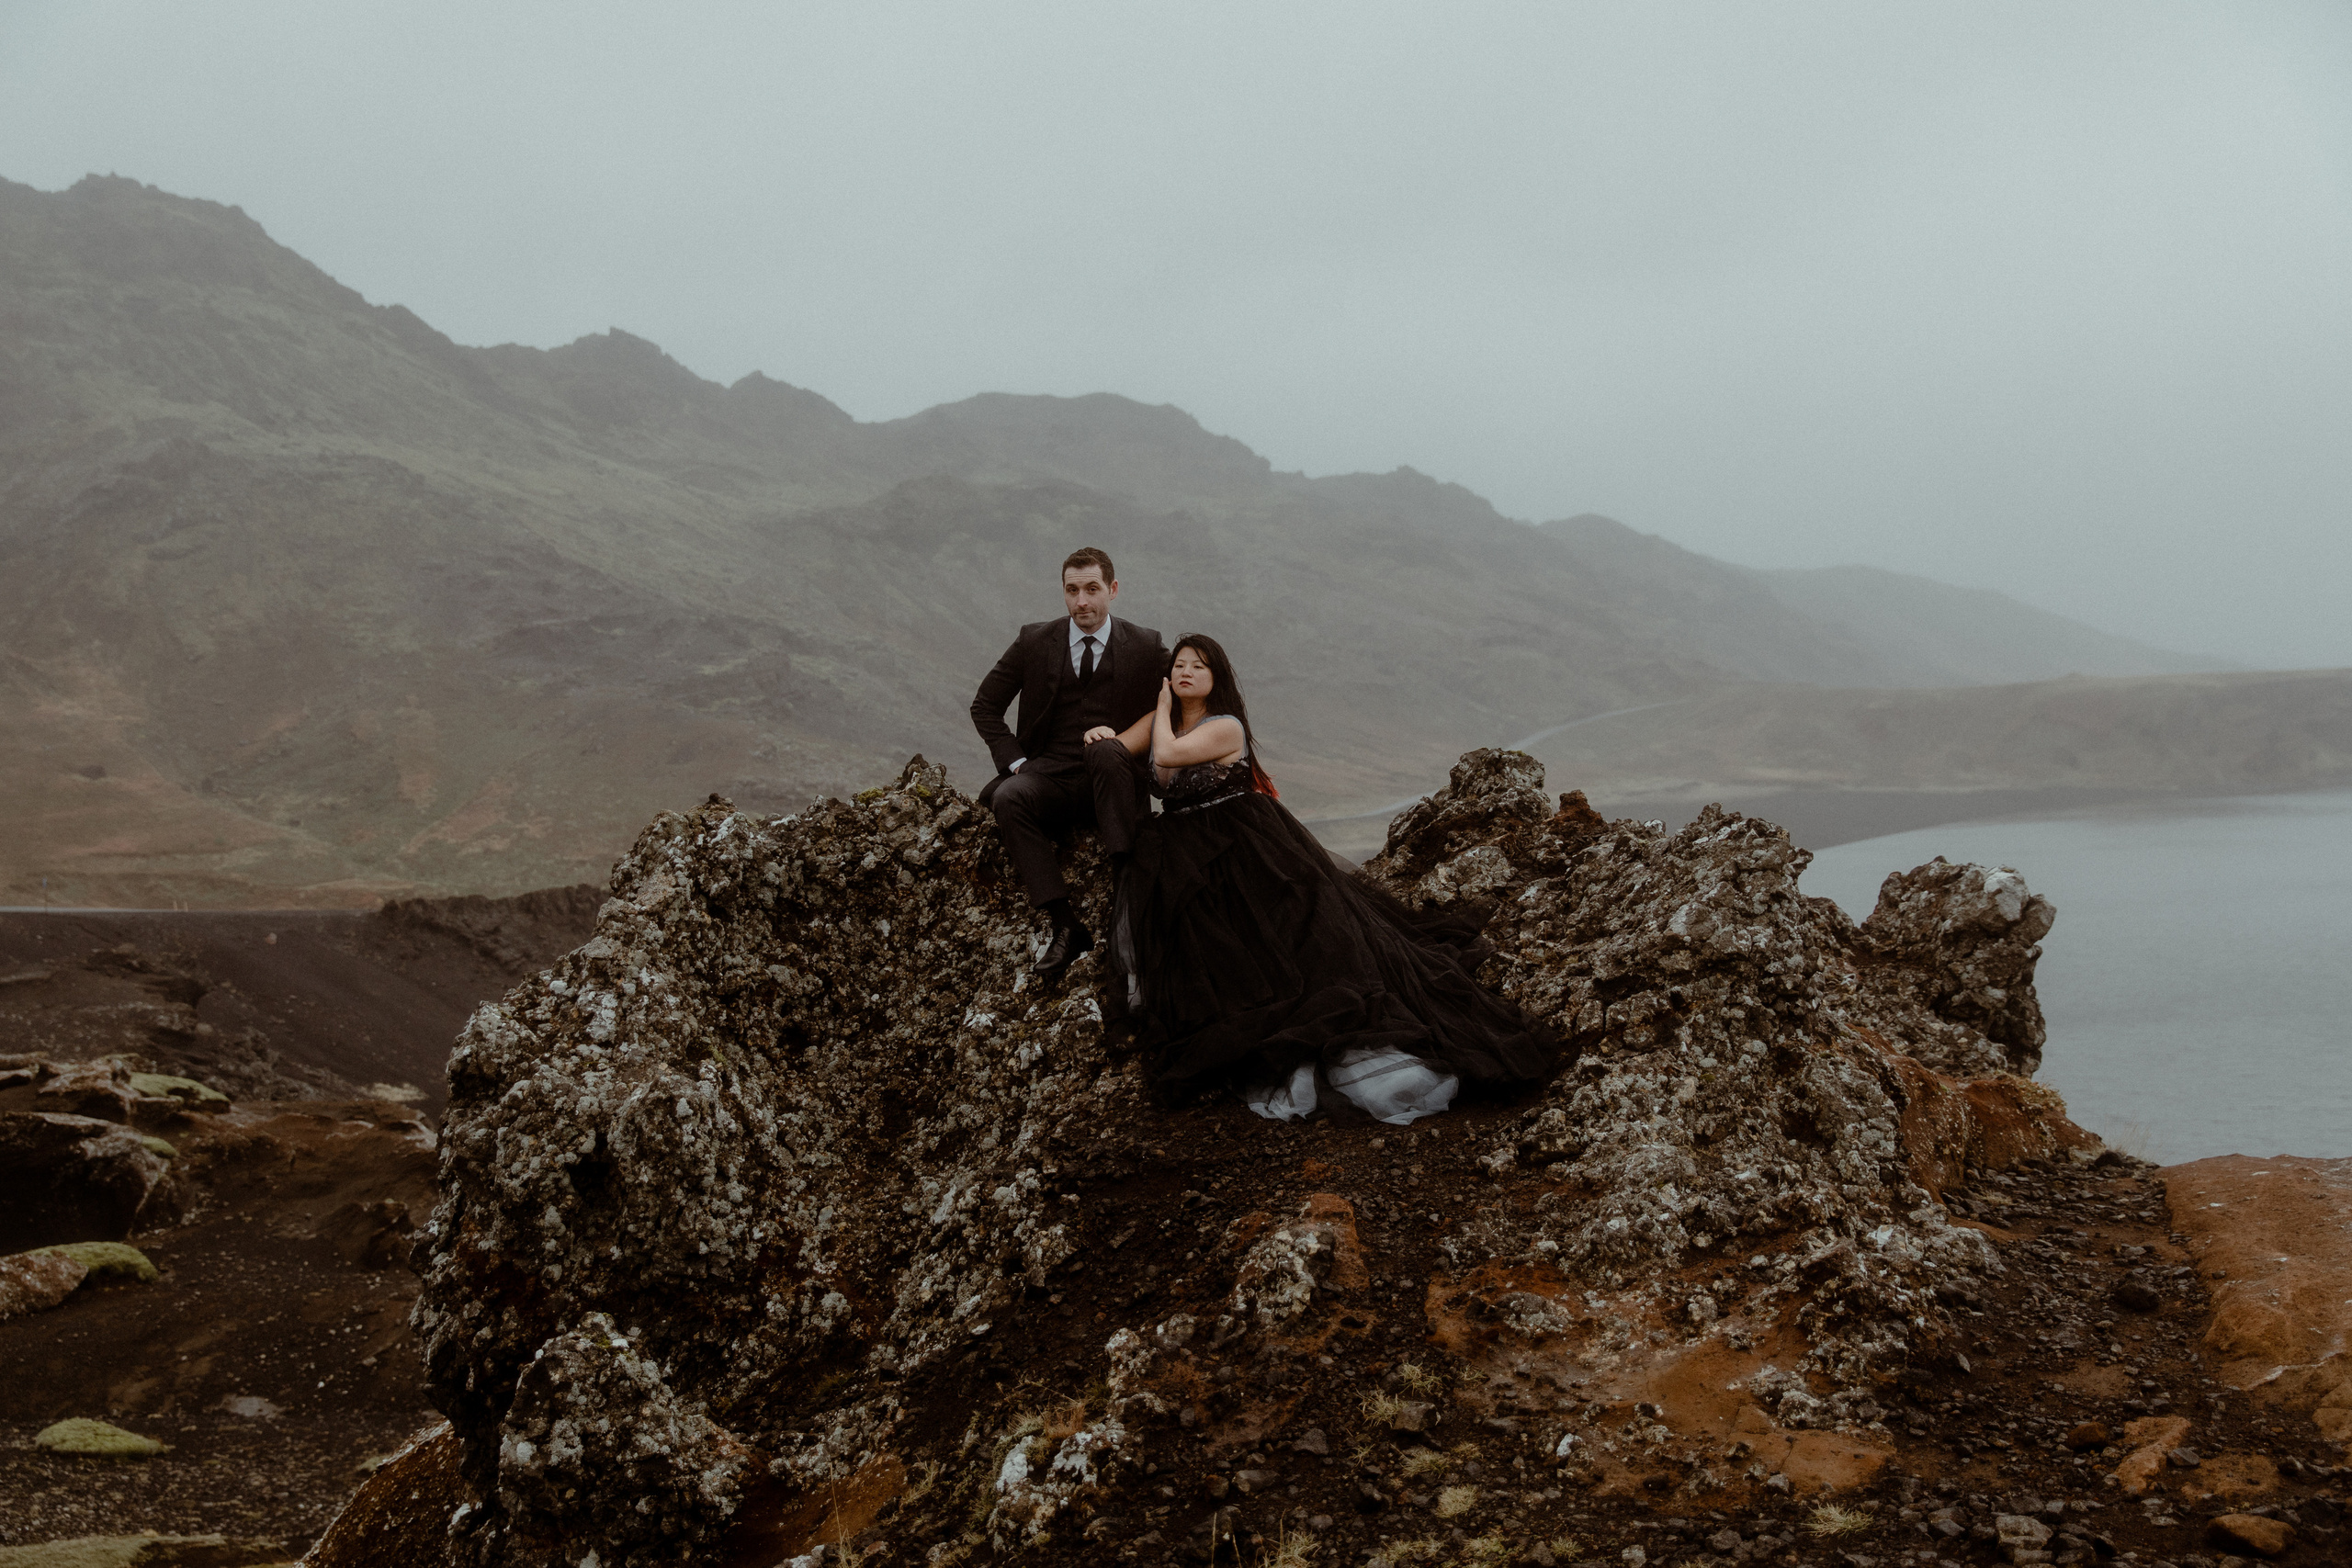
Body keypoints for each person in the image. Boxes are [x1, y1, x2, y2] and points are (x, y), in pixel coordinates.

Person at [1109, 635, 1556, 1123]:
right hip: (1185, 849)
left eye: (1199, 666)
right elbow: (1119, 750)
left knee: (1290, 939)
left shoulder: (1225, 726)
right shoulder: (1164, 724)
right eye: (1177, 665)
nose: (1185, 672)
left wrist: (1158, 704)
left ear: (1217, 678)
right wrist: (1099, 736)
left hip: (1242, 840)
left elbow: (1166, 757)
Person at [970, 547, 1167, 985]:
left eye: (1092, 589)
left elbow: (1181, 696)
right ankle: (1065, 924)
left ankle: (1126, 913)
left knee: (1106, 757)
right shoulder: (1035, 641)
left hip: (1112, 778)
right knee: (1008, 797)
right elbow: (985, 706)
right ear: (1063, 593)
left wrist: (1135, 741)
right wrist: (1017, 761)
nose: (1082, 602)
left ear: (1113, 591)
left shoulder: (1146, 645)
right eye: (1072, 590)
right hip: (1050, 775)